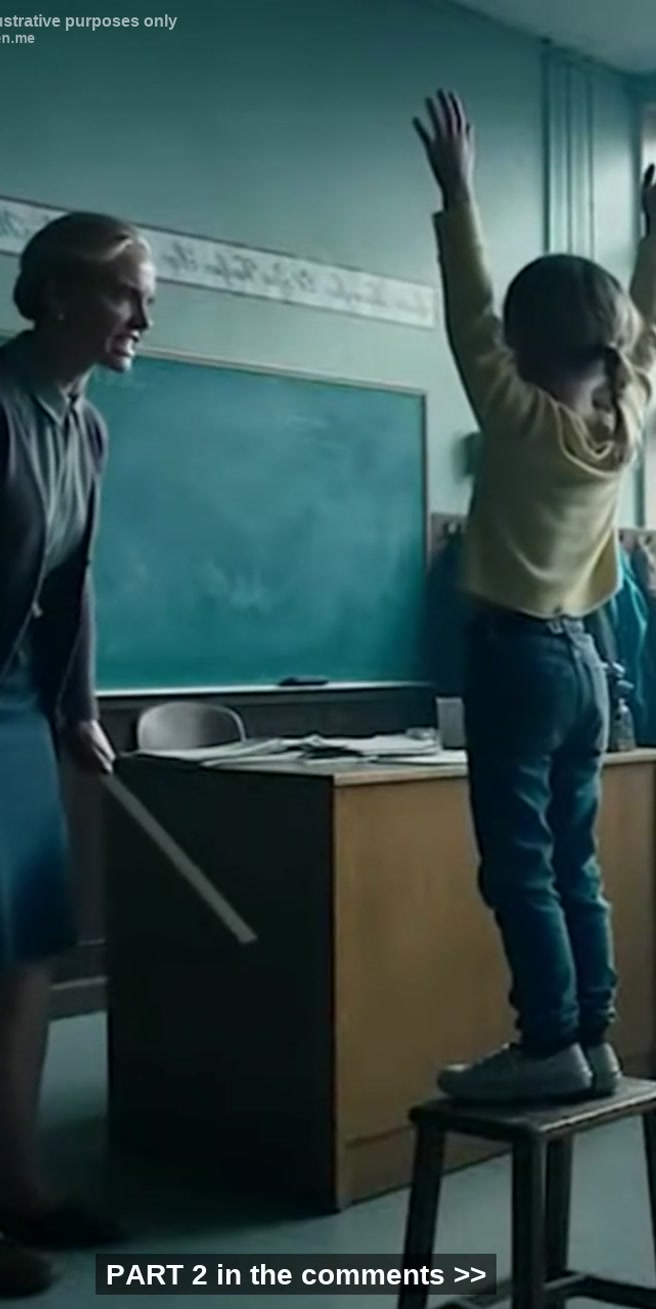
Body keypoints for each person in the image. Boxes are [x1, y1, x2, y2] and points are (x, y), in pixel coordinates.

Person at [413, 90, 656, 1104]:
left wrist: (458, 194)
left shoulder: (517, 417)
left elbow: (467, 312)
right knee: (573, 862)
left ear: (520, 343)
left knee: (518, 865)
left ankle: (550, 1038)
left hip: (517, 658)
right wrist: (652, 237)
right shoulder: (626, 417)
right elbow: (646, 333)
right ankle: (593, 1036)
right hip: (586, 662)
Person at [0, 211, 156, 1296]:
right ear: (61, 294)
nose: (143, 318)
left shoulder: (85, 426)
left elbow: (74, 585)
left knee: (30, 948)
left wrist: (78, 710)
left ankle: (18, 1181)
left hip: (27, 713)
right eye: (126, 294)